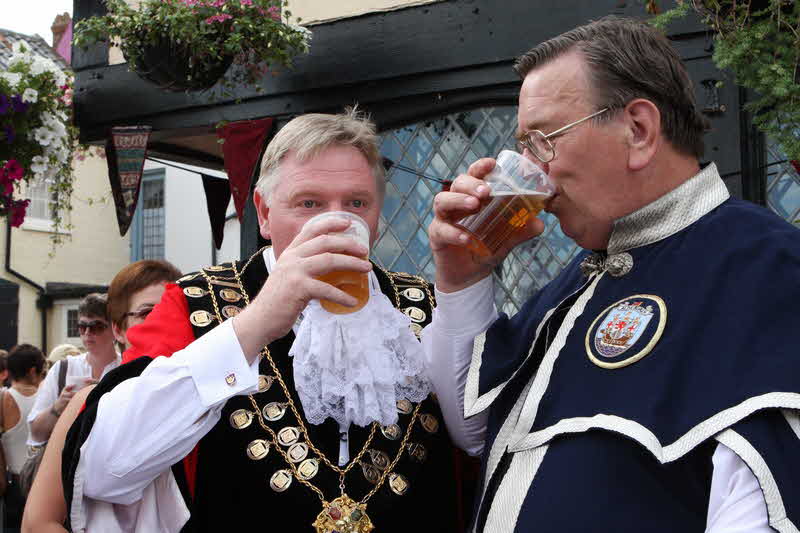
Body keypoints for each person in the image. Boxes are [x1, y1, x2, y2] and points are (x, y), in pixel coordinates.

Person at [425, 15, 800, 532]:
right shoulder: (576, 283)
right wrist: (463, 278)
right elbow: (473, 429)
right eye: (524, 146)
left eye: (543, 141)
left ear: (638, 130)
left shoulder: (767, 269)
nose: (534, 171)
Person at [61, 110, 466, 532]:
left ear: (377, 216)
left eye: (356, 203)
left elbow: (476, 444)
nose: (335, 221)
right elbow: (105, 469)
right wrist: (253, 325)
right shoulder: (193, 302)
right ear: (264, 213)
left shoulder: (427, 306)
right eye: (308, 203)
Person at [22, 259, 181, 533]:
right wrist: (60, 408)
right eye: (146, 312)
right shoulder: (85, 399)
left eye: (172, 311)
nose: (162, 322)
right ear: (119, 329)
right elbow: (38, 522)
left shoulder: (205, 395)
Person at [28, 294, 120, 447]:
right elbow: (36, 434)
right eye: (82, 326)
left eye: (96, 326)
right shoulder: (62, 369)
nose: (87, 333)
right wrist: (59, 406)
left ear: (114, 329)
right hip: (64, 465)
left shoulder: (126, 369)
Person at [0, 344, 46, 531]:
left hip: (12, 483)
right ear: (33, 370)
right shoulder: (47, 400)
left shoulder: (3, 398)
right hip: (41, 482)